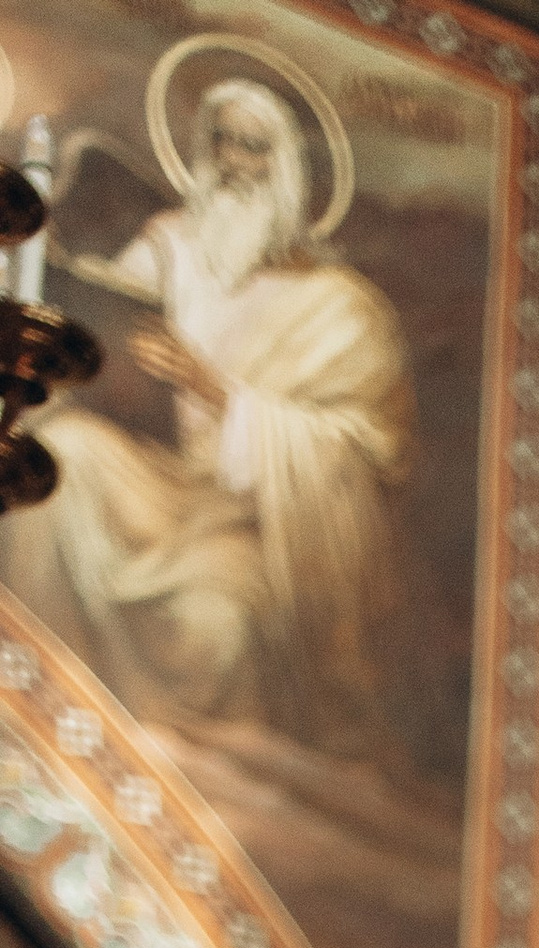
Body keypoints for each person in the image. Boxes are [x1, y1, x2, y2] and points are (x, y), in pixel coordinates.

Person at [8, 77, 412, 746]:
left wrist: (220, 394)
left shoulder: (342, 308)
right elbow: (103, 323)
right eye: (220, 139)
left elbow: (364, 456)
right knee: (63, 459)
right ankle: (33, 711)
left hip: (242, 521)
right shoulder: (170, 245)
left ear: (284, 167)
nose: (231, 160)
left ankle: (191, 781)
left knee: (213, 624)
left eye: (252, 147)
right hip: (152, 478)